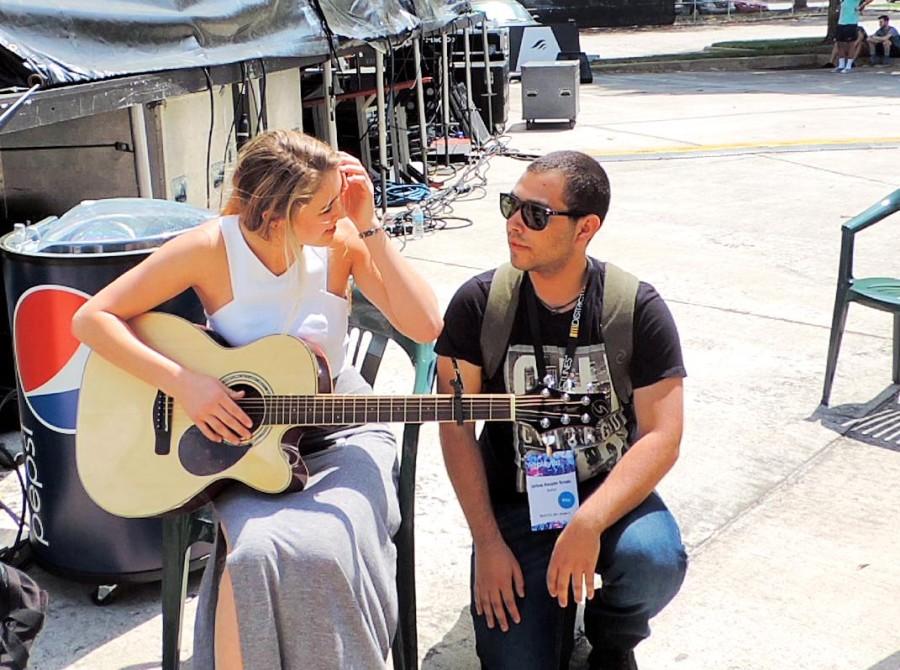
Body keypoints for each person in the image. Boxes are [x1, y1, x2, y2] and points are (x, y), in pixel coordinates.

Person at [71, 129, 442, 669]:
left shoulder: (341, 241)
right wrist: (185, 382)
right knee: (255, 553)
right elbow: (92, 318)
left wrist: (370, 225)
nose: (336, 212)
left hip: (339, 430)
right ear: (276, 213)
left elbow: (426, 323)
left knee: (329, 545)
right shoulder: (210, 248)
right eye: (325, 205)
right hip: (243, 439)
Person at [435, 151, 687, 670]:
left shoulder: (634, 307)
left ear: (585, 228)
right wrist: (487, 542)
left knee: (654, 562)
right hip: (515, 502)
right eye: (511, 205)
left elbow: (663, 434)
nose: (514, 223)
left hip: (605, 493)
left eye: (536, 214)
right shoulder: (479, 304)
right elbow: (456, 426)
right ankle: (547, 615)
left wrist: (589, 524)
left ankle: (610, 637)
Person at [834, 0, 875, 72]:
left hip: (851, 23)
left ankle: (848, 66)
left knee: (851, 44)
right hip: (841, 23)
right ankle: (841, 65)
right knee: (840, 43)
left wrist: (862, 5)